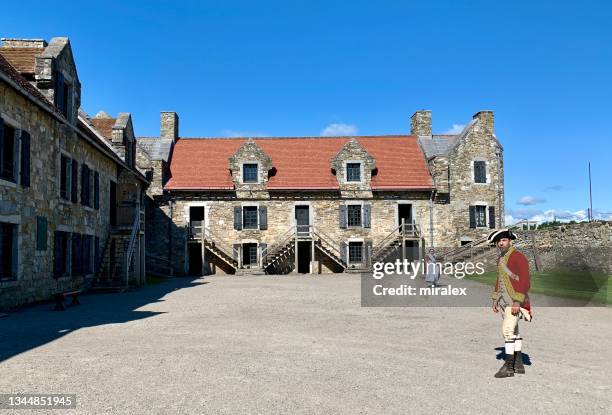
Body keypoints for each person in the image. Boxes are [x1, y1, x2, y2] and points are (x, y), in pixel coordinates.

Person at [488, 228, 532, 378]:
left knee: (507, 331)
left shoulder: (518, 257)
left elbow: (525, 280)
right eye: (499, 241)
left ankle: (508, 367)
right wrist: (495, 299)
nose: (501, 243)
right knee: (515, 331)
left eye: (504, 240)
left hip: (515, 301)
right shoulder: (501, 259)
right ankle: (518, 364)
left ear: (510, 241)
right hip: (505, 301)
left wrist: (517, 301)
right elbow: (499, 280)